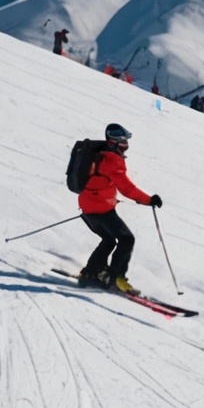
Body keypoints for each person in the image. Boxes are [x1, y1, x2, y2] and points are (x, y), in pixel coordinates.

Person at [77, 123, 162, 293]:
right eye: (123, 141)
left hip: (87, 205)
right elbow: (127, 189)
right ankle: (115, 278)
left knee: (108, 240)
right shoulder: (112, 161)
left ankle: (91, 271)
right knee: (126, 239)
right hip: (100, 209)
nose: (126, 145)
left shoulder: (99, 153)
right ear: (115, 142)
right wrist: (149, 200)